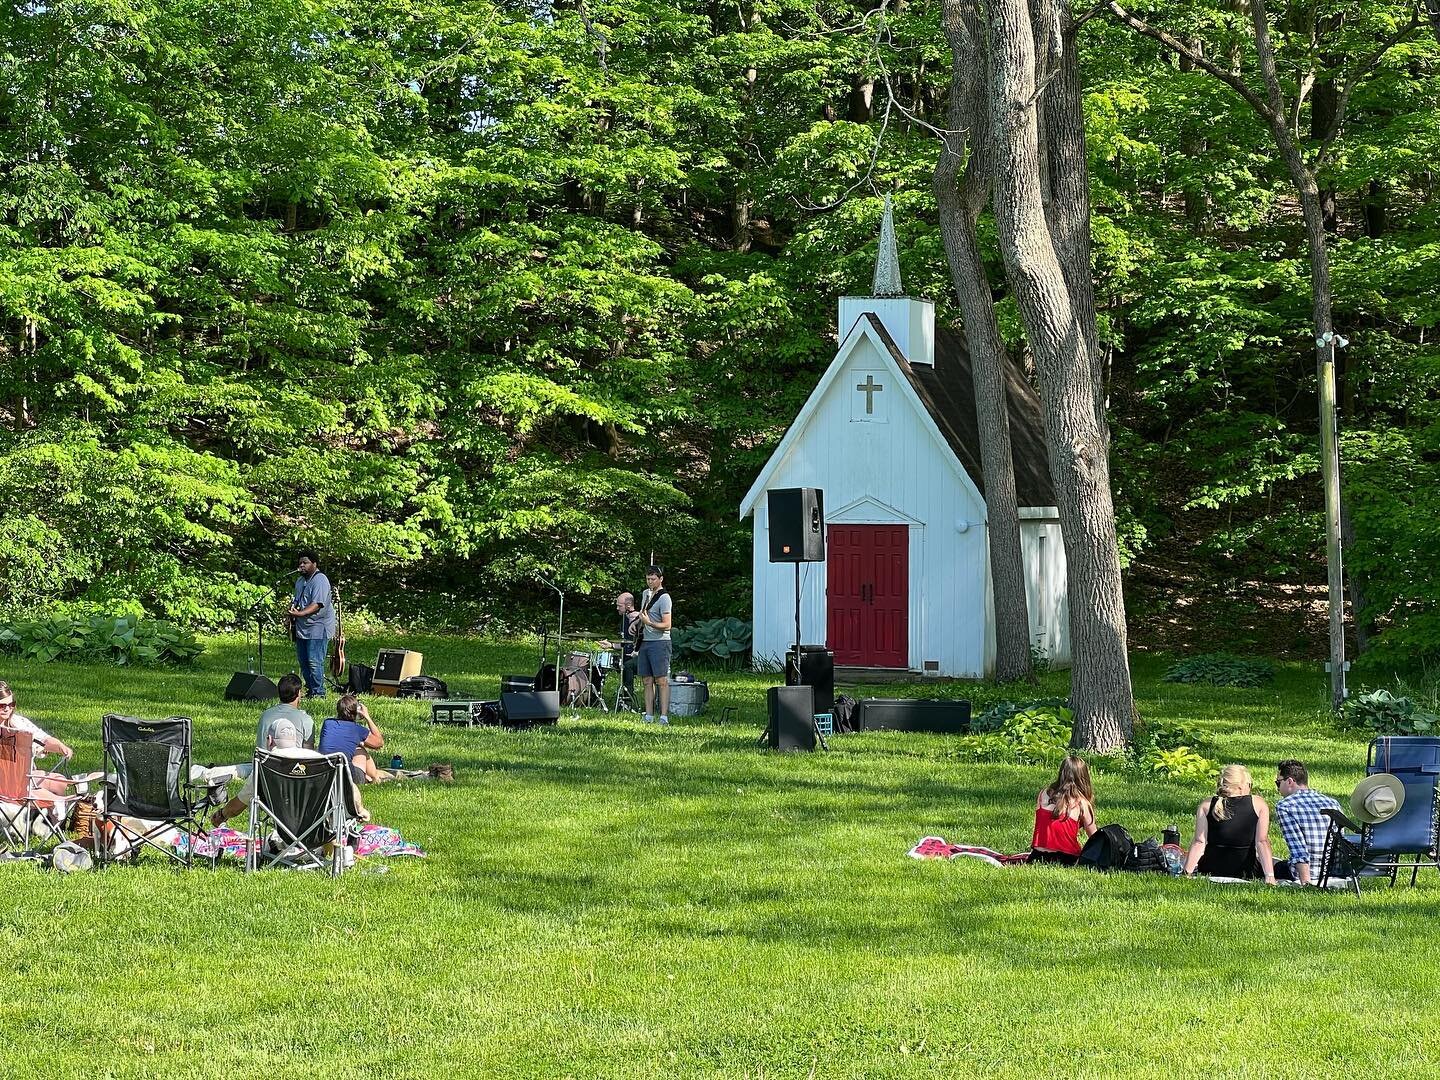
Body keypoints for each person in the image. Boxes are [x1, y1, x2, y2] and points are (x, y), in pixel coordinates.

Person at [1183, 764, 1277, 883]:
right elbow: (1262, 842)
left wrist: (1187, 872)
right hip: (1245, 871)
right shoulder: (1258, 804)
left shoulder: (1207, 805)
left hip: (1210, 870)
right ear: (1242, 785)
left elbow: (1199, 842)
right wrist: (1269, 875)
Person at [0, 680, 74, 799]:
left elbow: (44, 739)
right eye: (2, 706)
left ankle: (50, 817)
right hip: (9, 783)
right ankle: (55, 809)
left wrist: (61, 747)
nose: (7, 709)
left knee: (60, 781)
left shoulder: (20, 723)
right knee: (53, 799)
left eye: (11, 704)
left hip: (24, 778)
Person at [1273, 759, 1342, 885]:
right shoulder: (1332, 803)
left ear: (1289, 781)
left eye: (1278, 783)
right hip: (1333, 870)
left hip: (1306, 873)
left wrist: (1306, 882)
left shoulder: (1285, 806)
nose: (1278, 788)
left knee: (1270, 864)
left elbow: (1297, 848)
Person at [1029, 756, 1099, 865]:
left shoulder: (1044, 794)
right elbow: (1095, 839)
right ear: (1083, 778)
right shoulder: (1082, 803)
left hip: (1037, 856)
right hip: (1066, 858)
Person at [287, 550, 336, 699]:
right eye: (300, 563)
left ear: (314, 564)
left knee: (315, 662)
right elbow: (297, 600)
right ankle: (311, 690)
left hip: (318, 627)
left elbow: (317, 604)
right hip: (302, 628)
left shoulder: (320, 580)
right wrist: (291, 610)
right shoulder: (300, 581)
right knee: (304, 662)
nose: (302, 565)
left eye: (305, 563)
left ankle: (319, 693)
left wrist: (299, 614)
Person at [318, 693, 386, 784]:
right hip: (348, 777)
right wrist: (367, 717)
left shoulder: (327, 723)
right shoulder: (357, 730)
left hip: (325, 774)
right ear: (357, 712)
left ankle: (370, 777)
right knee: (360, 750)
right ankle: (375, 777)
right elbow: (379, 743)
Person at [634, 566, 673, 724]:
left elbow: (667, 625)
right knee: (647, 680)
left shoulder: (665, 598)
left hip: (660, 642)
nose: (650, 582)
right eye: (648, 579)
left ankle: (663, 716)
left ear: (661, 579)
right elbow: (644, 614)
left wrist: (649, 623)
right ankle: (648, 715)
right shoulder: (645, 594)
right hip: (646, 641)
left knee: (661, 680)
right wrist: (638, 622)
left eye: (653, 579)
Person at [254, 673, 315, 750]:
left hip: (268, 761)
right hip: (295, 761)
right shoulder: (305, 719)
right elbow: (308, 754)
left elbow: (261, 747)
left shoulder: (265, 715)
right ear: (298, 693)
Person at [597, 592, 639, 702]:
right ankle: (596, 696)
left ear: (628, 605)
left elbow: (641, 642)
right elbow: (625, 643)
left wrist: (637, 651)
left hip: (641, 655)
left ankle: (627, 700)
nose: (617, 608)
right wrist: (611, 645)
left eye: (619, 605)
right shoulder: (624, 620)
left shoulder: (637, 620)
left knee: (627, 665)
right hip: (627, 654)